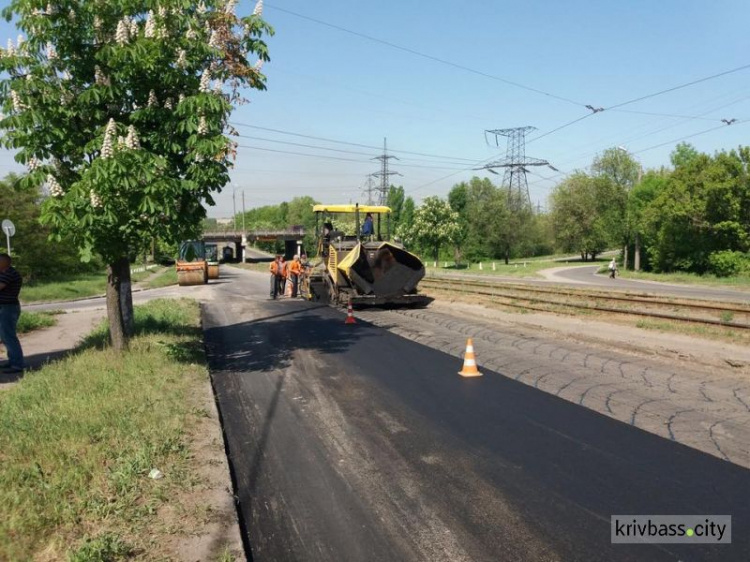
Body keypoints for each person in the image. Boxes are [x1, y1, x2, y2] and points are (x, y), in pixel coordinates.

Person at [0, 253, 24, 374]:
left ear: (4, 262)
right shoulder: (5, 273)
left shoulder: (9, 274)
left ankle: (17, 364)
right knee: (5, 336)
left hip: (7, 309)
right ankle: (13, 360)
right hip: (5, 308)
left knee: (9, 336)